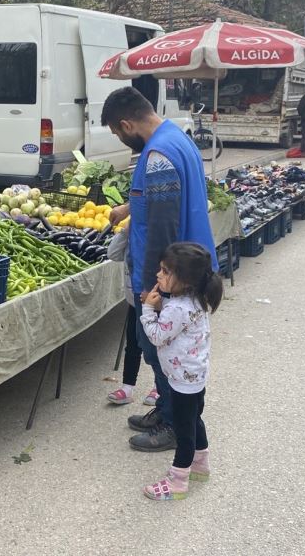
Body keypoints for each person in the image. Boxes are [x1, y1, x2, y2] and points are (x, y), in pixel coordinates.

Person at [101, 86, 217, 453]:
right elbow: (161, 202)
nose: (121, 141)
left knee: (161, 350)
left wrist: (156, 288)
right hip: (187, 265)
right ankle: (167, 410)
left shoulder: (158, 156)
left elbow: (164, 226)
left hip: (171, 275)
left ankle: (172, 424)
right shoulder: (176, 140)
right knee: (163, 349)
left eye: (118, 134)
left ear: (126, 123)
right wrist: (129, 207)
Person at [139, 242, 223, 501]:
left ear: (184, 280)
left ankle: (178, 481)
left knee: (183, 430)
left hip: (182, 381)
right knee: (194, 419)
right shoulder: (195, 299)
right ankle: (201, 463)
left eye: (165, 272)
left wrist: (148, 310)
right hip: (194, 376)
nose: (158, 275)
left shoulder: (176, 308)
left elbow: (157, 336)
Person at [105, 218, 158, 406]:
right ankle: (127, 388)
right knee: (133, 344)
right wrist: (125, 231)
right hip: (134, 301)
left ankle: (159, 387)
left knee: (158, 347)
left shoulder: (157, 241)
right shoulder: (130, 240)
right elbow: (112, 253)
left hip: (156, 304)